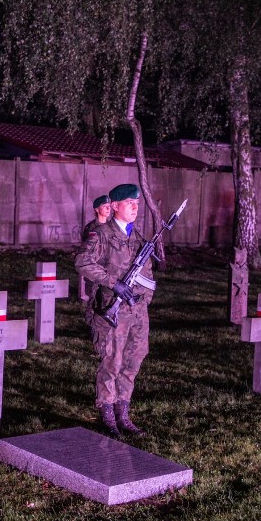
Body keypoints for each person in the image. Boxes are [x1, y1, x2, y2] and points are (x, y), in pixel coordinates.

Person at [75, 184, 154, 437]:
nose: (135, 207)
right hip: (113, 309)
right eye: (130, 203)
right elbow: (82, 262)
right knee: (112, 362)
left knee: (133, 361)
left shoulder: (139, 238)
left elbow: (147, 275)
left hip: (137, 311)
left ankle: (124, 414)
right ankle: (108, 415)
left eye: (137, 204)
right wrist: (113, 283)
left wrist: (145, 300)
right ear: (115, 205)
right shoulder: (101, 234)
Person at [81, 195, 112, 324]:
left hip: (109, 268)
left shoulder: (112, 227)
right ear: (97, 209)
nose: (108, 209)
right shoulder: (91, 229)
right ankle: (90, 324)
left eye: (109, 207)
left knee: (106, 297)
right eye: (105, 207)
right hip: (95, 269)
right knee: (92, 298)